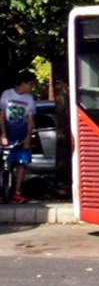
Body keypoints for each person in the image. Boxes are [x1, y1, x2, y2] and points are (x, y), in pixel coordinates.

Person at [1, 70, 38, 203]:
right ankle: (3, 191)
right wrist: (3, 134)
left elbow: (30, 120)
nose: (31, 87)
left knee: (21, 164)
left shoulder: (29, 99)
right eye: (31, 84)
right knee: (6, 163)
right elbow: (2, 115)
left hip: (22, 135)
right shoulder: (7, 94)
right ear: (24, 83)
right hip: (8, 134)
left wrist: (28, 137)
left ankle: (17, 192)